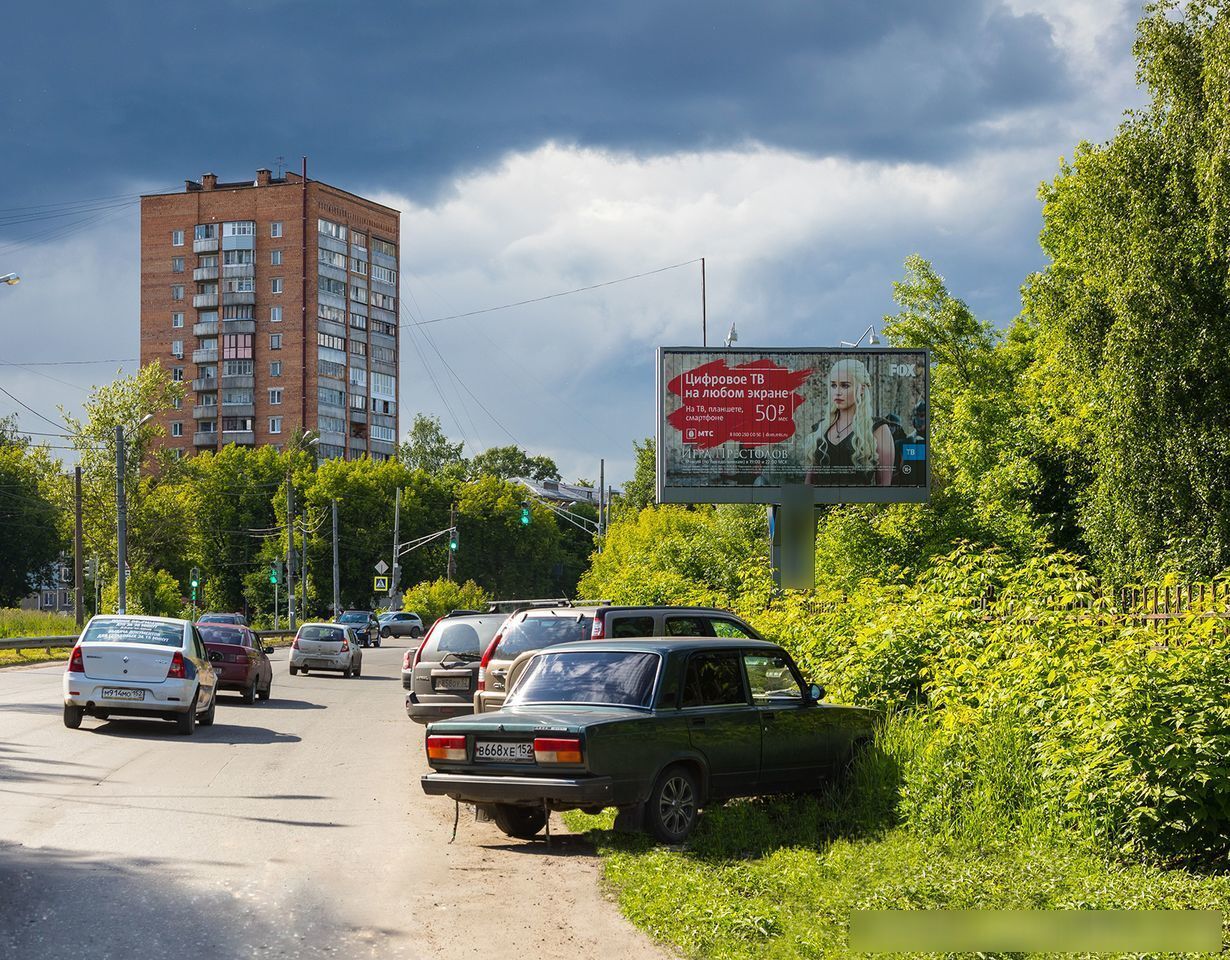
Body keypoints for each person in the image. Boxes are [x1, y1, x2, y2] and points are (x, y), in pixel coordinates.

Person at [805, 357, 895, 486]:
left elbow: (885, 487)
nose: (837, 392)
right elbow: (808, 483)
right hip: (819, 505)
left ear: (862, 388)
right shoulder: (819, 428)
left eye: (845, 385)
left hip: (860, 505)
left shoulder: (878, 429)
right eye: (833, 385)